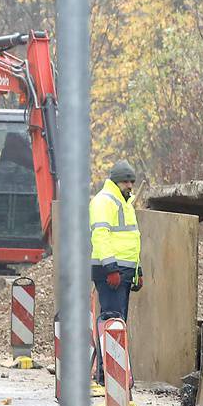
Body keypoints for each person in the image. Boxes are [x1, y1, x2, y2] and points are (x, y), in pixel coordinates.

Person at [89, 160, 141, 384]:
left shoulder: (124, 202)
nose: (130, 184)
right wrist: (110, 268)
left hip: (123, 273)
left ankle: (111, 376)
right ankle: (106, 377)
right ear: (115, 180)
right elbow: (100, 236)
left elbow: (131, 241)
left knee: (117, 324)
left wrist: (138, 272)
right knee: (112, 323)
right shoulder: (104, 201)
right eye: (126, 180)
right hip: (111, 272)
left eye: (131, 180)